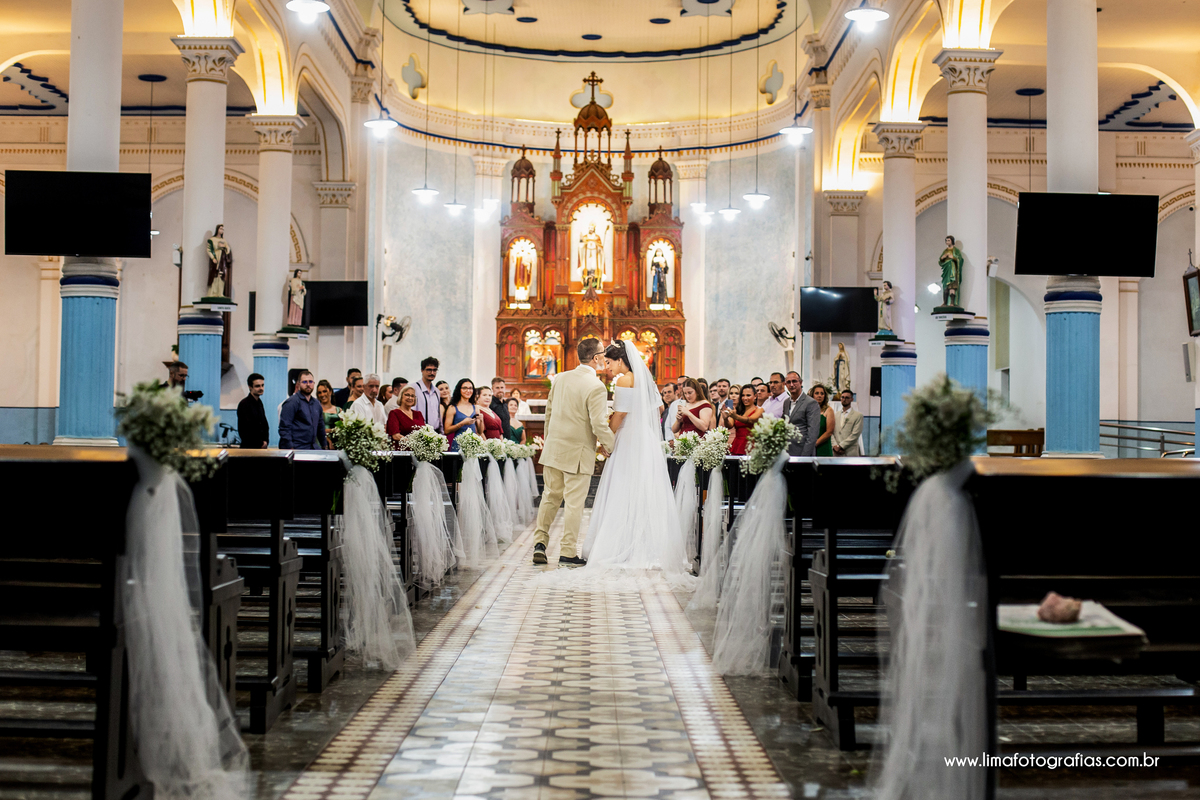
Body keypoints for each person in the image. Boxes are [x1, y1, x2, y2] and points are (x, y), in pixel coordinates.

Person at [577, 340, 690, 576]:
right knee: (644, 487)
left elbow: (620, 415)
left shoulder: (625, 379)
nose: (607, 367)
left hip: (629, 437)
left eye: (609, 362)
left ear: (621, 360)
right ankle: (649, 543)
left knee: (623, 487)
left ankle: (622, 545)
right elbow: (658, 410)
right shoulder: (642, 379)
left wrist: (607, 439)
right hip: (644, 437)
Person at [532, 338, 616, 567]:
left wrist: (548, 442)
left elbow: (548, 415)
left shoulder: (560, 378)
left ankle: (539, 544)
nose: (605, 358)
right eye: (603, 354)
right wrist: (612, 445)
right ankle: (567, 552)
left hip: (553, 449)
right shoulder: (596, 386)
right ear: (596, 358)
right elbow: (599, 425)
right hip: (577, 454)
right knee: (574, 504)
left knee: (550, 497)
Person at [279, 371, 325, 449]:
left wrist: (324, 446)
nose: (308, 384)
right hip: (296, 447)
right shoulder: (292, 402)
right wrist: (290, 448)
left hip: (312, 447)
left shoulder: (316, 403)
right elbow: (285, 428)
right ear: (299, 384)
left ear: (314, 383)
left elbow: (320, 427)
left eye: (310, 382)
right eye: (304, 382)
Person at [782, 371, 820, 457]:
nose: (791, 385)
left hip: (803, 452)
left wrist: (804, 457)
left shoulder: (811, 403)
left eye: (794, 381)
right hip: (787, 452)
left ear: (801, 382)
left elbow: (812, 435)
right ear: (785, 385)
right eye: (788, 382)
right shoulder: (786, 402)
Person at [443, 378, 484, 451]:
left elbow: (480, 432)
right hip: (458, 446)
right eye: (465, 388)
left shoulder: (475, 407)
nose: (468, 391)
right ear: (459, 390)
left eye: (470, 388)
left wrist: (481, 420)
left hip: (472, 446)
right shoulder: (452, 407)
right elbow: (446, 430)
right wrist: (462, 423)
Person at [722, 384, 762, 456]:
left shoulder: (759, 410)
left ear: (755, 396)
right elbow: (729, 425)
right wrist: (725, 418)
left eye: (748, 395)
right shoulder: (737, 410)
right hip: (737, 445)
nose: (745, 398)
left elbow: (750, 420)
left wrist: (735, 416)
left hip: (751, 445)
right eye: (743, 395)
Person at [237, 372, 269, 448]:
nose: (261, 388)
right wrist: (260, 443)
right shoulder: (244, 404)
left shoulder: (259, 403)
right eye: (257, 386)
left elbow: (264, 425)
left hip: (261, 446)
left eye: (262, 385)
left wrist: (265, 441)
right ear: (250, 387)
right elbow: (246, 429)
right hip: (249, 447)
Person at [413, 357, 443, 433]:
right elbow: (411, 413)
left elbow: (438, 414)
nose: (432, 373)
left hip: (435, 432)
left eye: (434, 370)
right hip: (420, 433)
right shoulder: (414, 388)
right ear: (422, 370)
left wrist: (441, 433)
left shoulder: (436, 391)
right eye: (429, 370)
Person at [832, 389, 864, 457]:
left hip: (850, 452)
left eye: (847, 397)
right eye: (842, 397)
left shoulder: (858, 415)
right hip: (836, 452)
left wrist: (841, 446)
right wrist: (835, 446)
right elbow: (831, 432)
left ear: (852, 399)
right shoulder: (835, 415)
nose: (844, 399)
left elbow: (855, 434)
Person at [810, 384, 836, 457]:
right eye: (817, 393)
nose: (819, 395)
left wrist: (815, 444)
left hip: (823, 447)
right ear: (812, 395)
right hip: (809, 448)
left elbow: (829, 432)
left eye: (822, 393)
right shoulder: (809, 410)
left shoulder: (828, 410)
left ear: (825, 396)